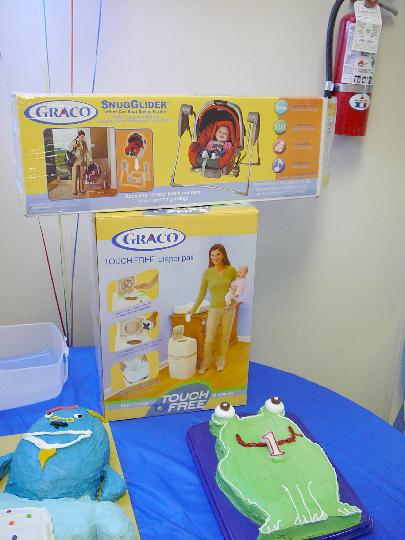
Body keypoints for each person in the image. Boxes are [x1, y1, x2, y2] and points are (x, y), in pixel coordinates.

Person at [189, 244, 237, 374]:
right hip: (214, 309)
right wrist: (193, 309)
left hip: (229, 308)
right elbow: (202, 293)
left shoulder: (232, 270)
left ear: (223, 255)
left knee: (225, 337)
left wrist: (235, 295)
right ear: (210, 257)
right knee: (209, 338)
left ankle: (220, 360)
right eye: (212, 255)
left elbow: (238, 287)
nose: (215, 257)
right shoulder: (207, 273)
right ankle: (205, 363)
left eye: (218, 254)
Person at [68, 130, 90, 195]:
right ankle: (74, 191)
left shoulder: (84, 143)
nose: (83, 138)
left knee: (82, 176)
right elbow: (69, 149)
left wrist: (90, 158)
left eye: (83, 137)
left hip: (82, 161)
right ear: (78, 136)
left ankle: (81, 189)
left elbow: (87, 151)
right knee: (74, 176)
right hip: (75, 161)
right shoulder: (74, 141)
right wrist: (75, 146)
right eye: (81, 137)